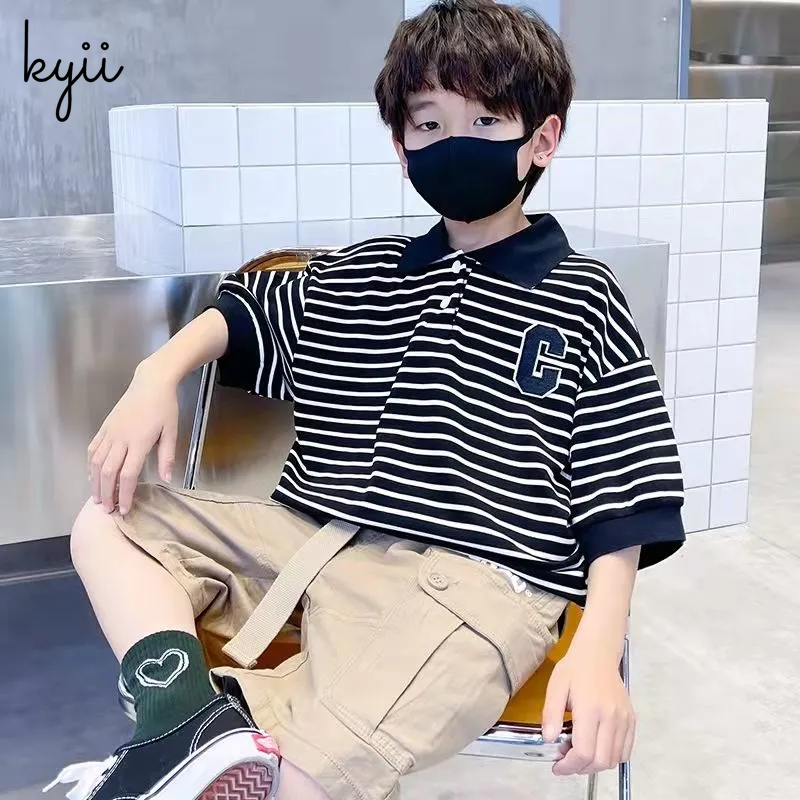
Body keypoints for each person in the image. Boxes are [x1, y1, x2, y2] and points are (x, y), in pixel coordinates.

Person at [49, 2, 685, 799]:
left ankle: (220, 757)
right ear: (402, 146)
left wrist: (598, 646)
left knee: (303, 768)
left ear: (543, 138)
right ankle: (182, 724)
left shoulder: (583, 295)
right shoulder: (365, 271)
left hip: (476, 578)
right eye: (430, 123)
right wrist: (156, 374)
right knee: (108, 523)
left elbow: (624, 488)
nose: (456, 142)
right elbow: (247, 313)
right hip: (309, 539)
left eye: (487, 120)